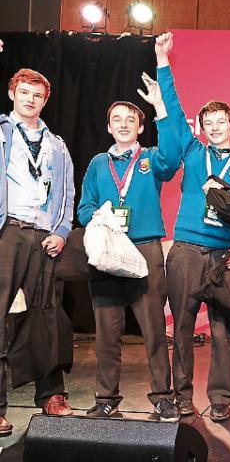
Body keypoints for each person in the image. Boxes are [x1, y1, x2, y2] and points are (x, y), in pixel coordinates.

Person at [155, 33, 230, 422]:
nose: (214, 127)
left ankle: (221, 398)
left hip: (223, 257)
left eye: (220, 122)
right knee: (181, 327)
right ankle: (182, 396)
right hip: (187, 252)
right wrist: (163, 62)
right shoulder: (194, 153)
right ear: (202, 127)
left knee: (223, 331)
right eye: (207, 122)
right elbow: (174, 111)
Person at [77, 78, 181, 420]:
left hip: (145, 249)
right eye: (117, 120)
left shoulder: (150, 159)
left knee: (153, 329)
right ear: (109, 127)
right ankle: (106, 397)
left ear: (140, 128)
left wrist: (160, 107)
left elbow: (173, 157)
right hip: (108, 250)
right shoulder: (97, 163)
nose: (123, 125)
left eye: (131, 120)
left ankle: (162, 396)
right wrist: (98, 216)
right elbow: (83, 207)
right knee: (107, 332)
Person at [0, 65, 75, 436]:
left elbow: (68, 193)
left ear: (46, 101)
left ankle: (51, 395)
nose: (30, 100)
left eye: (38, 95)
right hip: (7, 232)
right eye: (24, 93)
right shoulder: (1, 133)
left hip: (44, 236)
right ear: (12, 94)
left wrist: (61, 231)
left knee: (47, 315)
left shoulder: (56, 145)